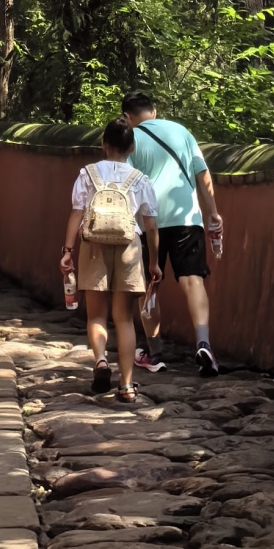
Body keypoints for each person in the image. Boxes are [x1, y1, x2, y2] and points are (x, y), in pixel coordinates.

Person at [122, 89, 225, 377]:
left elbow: (127, 182)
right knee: (193, 281)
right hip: (187, 218)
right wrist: (213, 212)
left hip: (148, 222)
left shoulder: (132, 138)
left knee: (148, 286)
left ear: (128, 118)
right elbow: (202, 174)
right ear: (153, 111)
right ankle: (204, 343)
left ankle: (154, 353)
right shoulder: (181, 132)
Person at [61, 117, 161, 404]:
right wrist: (153, 262)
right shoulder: (140, 179)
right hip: (129, 247)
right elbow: (151, 226)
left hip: (93, 245)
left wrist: (67, 251)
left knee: (96, 315)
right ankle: (127, 386)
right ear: (131, 148)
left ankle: (101, 361)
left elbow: (76, 213)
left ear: (104, 144)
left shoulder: (88, 174)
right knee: (125, 319)